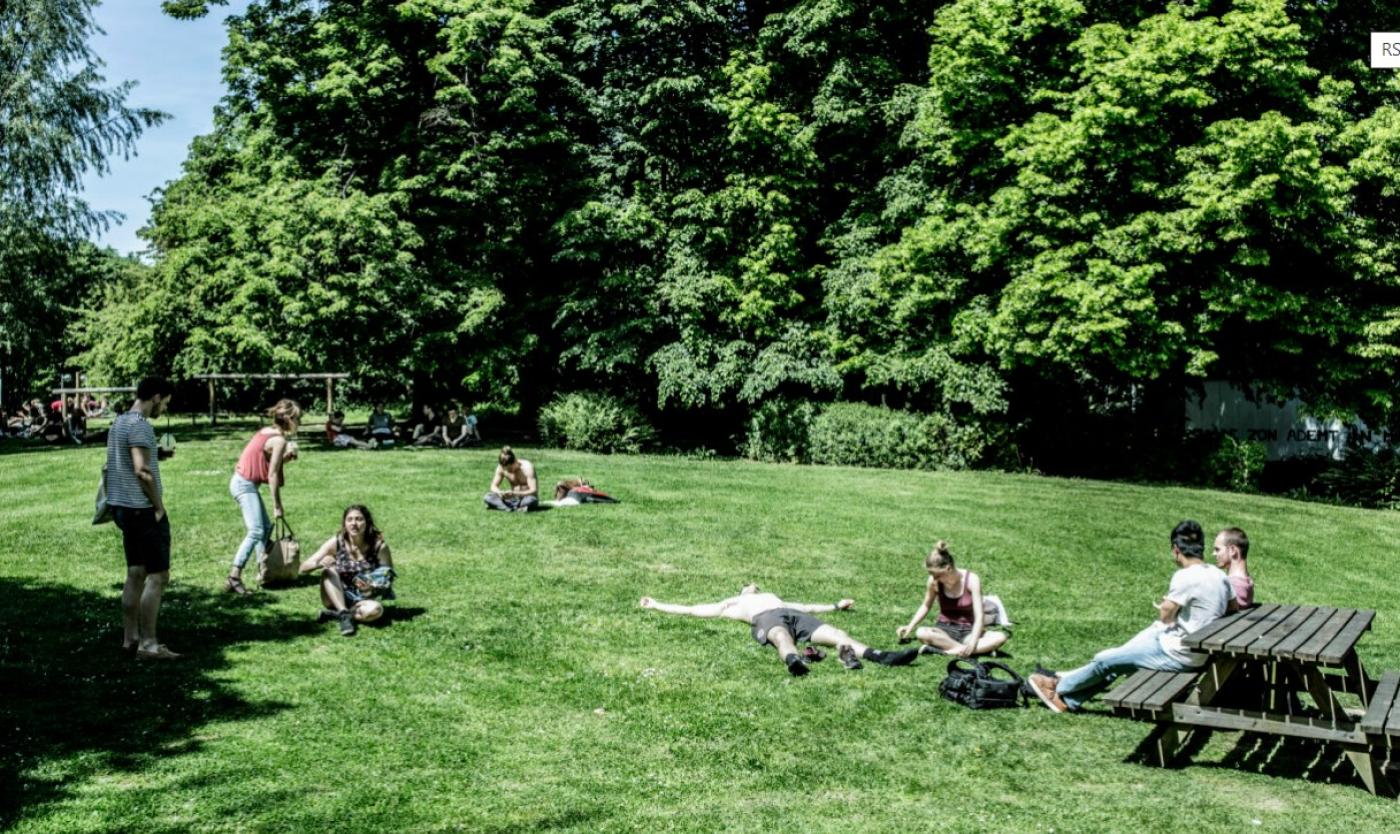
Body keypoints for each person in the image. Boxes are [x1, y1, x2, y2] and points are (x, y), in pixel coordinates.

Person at [1028, 520, 1232, 713]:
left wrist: (1167, 607)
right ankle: (1069, 701)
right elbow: (1232, 607)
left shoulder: (1185, 576)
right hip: (1196, 652)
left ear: (1176, 550)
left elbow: (1165, 617)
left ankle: (1057, 687)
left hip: (1178, 654)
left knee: (1105, 660)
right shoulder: (1220, 576)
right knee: (1119, 657)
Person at [639, 584, 920, 676]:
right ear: (741, 590)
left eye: (754, 584)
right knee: (780, 636)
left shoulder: (774, 596)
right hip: (766, 618)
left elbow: (807, 605)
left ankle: (880, 655)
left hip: (793, 614)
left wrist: (836, 605)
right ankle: (793, 660)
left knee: (836, 634)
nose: (752, 585)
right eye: (748, 585)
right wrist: (657, 604)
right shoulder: (733, 603)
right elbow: (693, 609)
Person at [105, 376, 179, 660]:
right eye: (166, 403)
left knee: (135, 573)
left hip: (123, 508)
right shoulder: (140, 425)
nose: (164, 409)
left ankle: (130, 640)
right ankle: (149, 645)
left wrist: (157, 455)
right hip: (142, 510)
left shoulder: (119, 423)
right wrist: (158, 506)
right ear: (156, 397)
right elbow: (142, 471)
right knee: (158, 576)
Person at [224, 399, 302, 595]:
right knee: (257, 530)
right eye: (298, 419)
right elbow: (272, 475)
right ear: (289, 419)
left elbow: (264, 462)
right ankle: (234, 576)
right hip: (244, 484)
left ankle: (264, 571)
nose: (299, 422)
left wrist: (284, 458)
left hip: (243, 482)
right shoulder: (279, 440)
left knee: (265, 528)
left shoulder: (267, 431)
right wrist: (277, 505)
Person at [896, 540, 1010, 658]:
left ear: (948, 568)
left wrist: (973, 641)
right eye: (931, 574)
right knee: (921, 633)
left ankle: (947, 651)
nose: (934, 578)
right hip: (944, 630)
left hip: (969, 631)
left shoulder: (972, 580)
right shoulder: (933, 582)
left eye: (937, 574)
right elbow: (926, 605)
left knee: (1000, 637)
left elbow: (979, 616)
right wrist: (910, 626)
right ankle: (972, 650)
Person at [299, 504, 395, 637]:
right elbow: (303, 567)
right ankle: (344, 614)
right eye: (349, 519)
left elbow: (388, 576)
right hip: (335, 595)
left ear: (367, 522)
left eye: (359, 519)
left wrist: (373, 586)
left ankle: (340, 614)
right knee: (329, 571)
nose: (354, 523)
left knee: (376, 610)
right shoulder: (337, 542)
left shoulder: (379, 546)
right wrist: (319, 564)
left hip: (362, 598)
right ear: (344, 523)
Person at [484, 446, 539, 511]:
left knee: (532, 500)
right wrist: (500, 492)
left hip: (525, 498)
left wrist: (514, 494)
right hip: (511, 500)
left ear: (515, 461)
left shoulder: (527, 467)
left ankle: (504, 507)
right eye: (506, 469)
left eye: (510, 468)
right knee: (488, 497)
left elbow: (533, 490)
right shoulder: (501, 467)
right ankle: (509, 508)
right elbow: (493, 486)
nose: (508, 471)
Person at [1214, 526, 1253, 610]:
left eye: (1217, 549)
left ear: (1232, 550)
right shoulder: (1247, 583)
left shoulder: (1233, 587)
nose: (1214, 554)